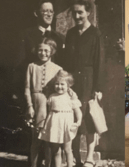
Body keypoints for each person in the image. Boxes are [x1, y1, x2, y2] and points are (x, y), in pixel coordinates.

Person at [63, 0, 104, 166]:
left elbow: (99, 62)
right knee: (72, 117)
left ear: (88, 12)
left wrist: (98, 88)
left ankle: (89, 158)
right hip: (72, 82)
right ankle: (74, 158)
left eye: (80, 12)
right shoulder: (71, 33)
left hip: (88, 80)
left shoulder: (95, 34)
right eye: (74, 13)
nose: (77, 16)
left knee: (88, 119)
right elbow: (66, 60)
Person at [15, 0, 64, 104]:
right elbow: (20, 64)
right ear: (36, 13)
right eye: (45, 11)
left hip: (55, 91)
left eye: (51, 11)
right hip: (34, 91)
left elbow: (62, 64)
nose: (49, 14)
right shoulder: (26, 35)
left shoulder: (59, 38)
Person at [25, 37, 62, 167]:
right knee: (35, 140)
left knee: (48, 141)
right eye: (40, 50)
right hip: (36, 106)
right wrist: (29, 106)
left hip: (50, 107)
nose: (43, 53)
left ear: (52, 51)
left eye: (46, 50)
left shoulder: (58, 69)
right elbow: (27, 88)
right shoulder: (31, 66)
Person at [39, 70, 82, 167]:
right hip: (54, 125)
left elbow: (78, 111)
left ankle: (69, 165)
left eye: (62, 84)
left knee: (67, 149)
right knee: (56, 151)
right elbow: (48, 110)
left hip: (66, 125)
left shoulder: (71, 98)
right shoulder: (52, 97)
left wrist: (78, 121)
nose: (59, 87)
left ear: (68, 86)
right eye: (57, 84)